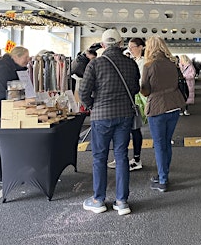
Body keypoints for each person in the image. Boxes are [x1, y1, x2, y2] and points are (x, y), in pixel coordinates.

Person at [79, 29, 140, 215]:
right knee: (121, 156)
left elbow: (83, 92)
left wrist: (92, 105)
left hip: (101, 116)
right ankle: (122, 202)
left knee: (100, 157)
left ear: (103, 45)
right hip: (124, 115)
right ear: (121, 44)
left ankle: (98, 199)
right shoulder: (131, 64)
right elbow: (136, 88)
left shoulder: (95, 64)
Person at [140, 36, 186, 192]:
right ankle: (163, 174)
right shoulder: (172, 64)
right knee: (167, 142)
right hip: (174, 105)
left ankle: (163, 180)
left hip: (157, 108)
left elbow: (145, 90)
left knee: (159, 145)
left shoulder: (149, 65)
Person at [107, 37, 145, 171]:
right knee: (123, 131)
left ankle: (136, 159)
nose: (130, 50)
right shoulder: (131, 61)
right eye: (129, 47)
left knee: (134, 129)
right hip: (128, 100)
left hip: (136, 99)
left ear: (141, 47)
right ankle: (120, 158)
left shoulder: (143, 63)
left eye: (133, 47)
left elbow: (140, 83)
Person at [0, 46, 30, 185]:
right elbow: (4, 93)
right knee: (1, 143)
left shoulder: (12, 67)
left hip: (7, 110)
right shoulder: (3, 69)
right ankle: (1, 174)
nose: (28, 61)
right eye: (26, 58)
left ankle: (6, 171)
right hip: (1, 111)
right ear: (16, 57)